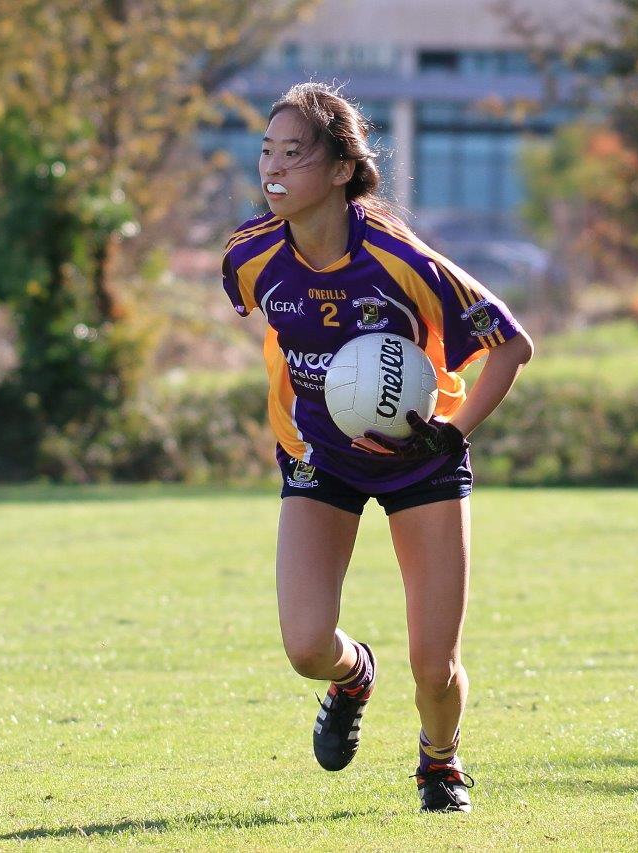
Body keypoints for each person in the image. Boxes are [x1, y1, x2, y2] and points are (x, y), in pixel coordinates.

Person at [221, 82, 533, 813]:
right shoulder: (247, 253)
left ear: (338, 170)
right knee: (304, 646)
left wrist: (451, 431)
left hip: (419, 457)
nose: (273, 167)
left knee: (433, 662)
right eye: (266, 150)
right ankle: (354, 673)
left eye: (293, 154)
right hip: (318, 455)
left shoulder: (400, 258)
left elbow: (512, 346)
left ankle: (440, 764)